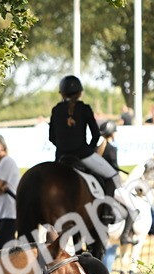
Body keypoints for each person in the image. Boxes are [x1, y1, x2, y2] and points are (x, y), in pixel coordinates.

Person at [49, 75, 123, 226]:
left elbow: (52, 138)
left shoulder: (56, 110)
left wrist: (63, 148)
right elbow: (96, 134)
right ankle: (107, 214)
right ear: (80, 93)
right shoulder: (85, 108)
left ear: (61, 93)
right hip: (83, 155)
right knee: (113, 176)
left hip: (61, 157)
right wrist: (88, 149)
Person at [98, 119, 137, 245]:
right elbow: (114, 169)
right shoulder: (111, 149)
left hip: (99, 185)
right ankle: (125, 236)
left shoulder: (98, 148)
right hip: (110, 186)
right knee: (133, 209)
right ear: (112, 133)